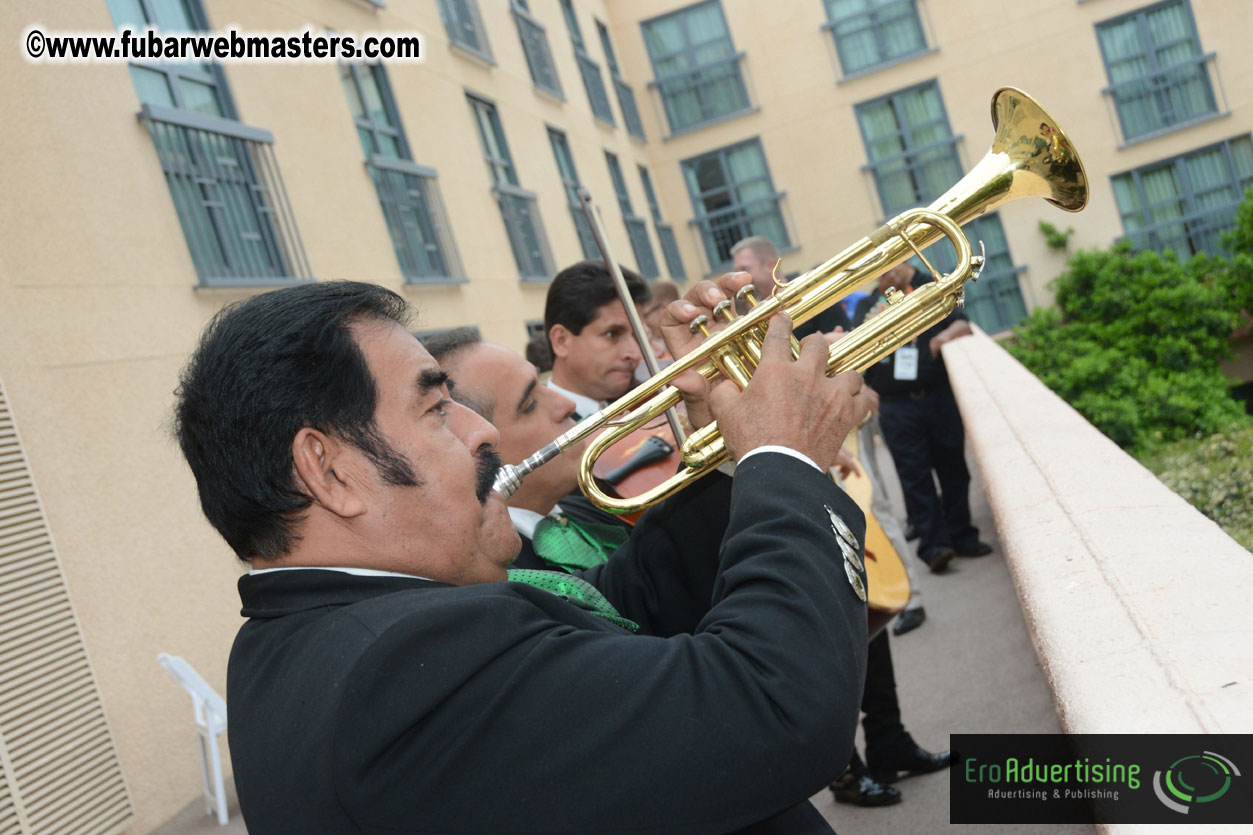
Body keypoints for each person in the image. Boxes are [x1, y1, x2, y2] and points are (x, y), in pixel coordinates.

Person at [174, 278, 875, 834]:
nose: (483, 432)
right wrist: (782, 459)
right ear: (327, 471)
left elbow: (627, 612)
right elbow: (773, 707)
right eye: (436, 409)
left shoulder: (317, 637)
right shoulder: (399, 670)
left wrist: (723, 453)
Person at [420, 328, 630, 573]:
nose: (568, 405)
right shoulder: (502, 575)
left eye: (541, 385)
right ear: (478, 445)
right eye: (530, 404)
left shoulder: (592, 506)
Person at [853, 261, 993, 572]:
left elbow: (963, 324)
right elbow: (855, 351)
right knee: (914, 478)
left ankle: (962, 536)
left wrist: (942, 338)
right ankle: (935, 547)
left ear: (904, 266)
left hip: (937, 398)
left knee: (953, 469)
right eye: (880, 271)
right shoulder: (868, 304)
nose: (884, 276)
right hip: (895, 406)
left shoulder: (930, 289)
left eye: (890, 269)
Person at [544, 260, 651, 419]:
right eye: (612, 334)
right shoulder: (537, 434)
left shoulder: (638, 407)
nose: (635, 354)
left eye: (637, 336)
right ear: (561, 341)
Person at [731, 236, 852, 334]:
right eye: (736, 271)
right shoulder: (750, 312)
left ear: (770, 266)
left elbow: (843, 338)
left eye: (745, 269)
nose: (738, 277)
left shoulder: (813, 294)